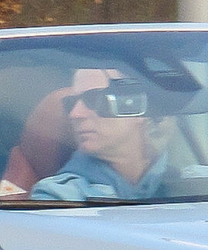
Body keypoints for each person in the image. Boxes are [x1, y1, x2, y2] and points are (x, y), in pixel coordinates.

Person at [29, 69, 186, 202]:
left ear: (137, 105)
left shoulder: (202, 181)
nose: (75, 114)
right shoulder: (59, 197)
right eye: (71, 102)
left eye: (94, 99)